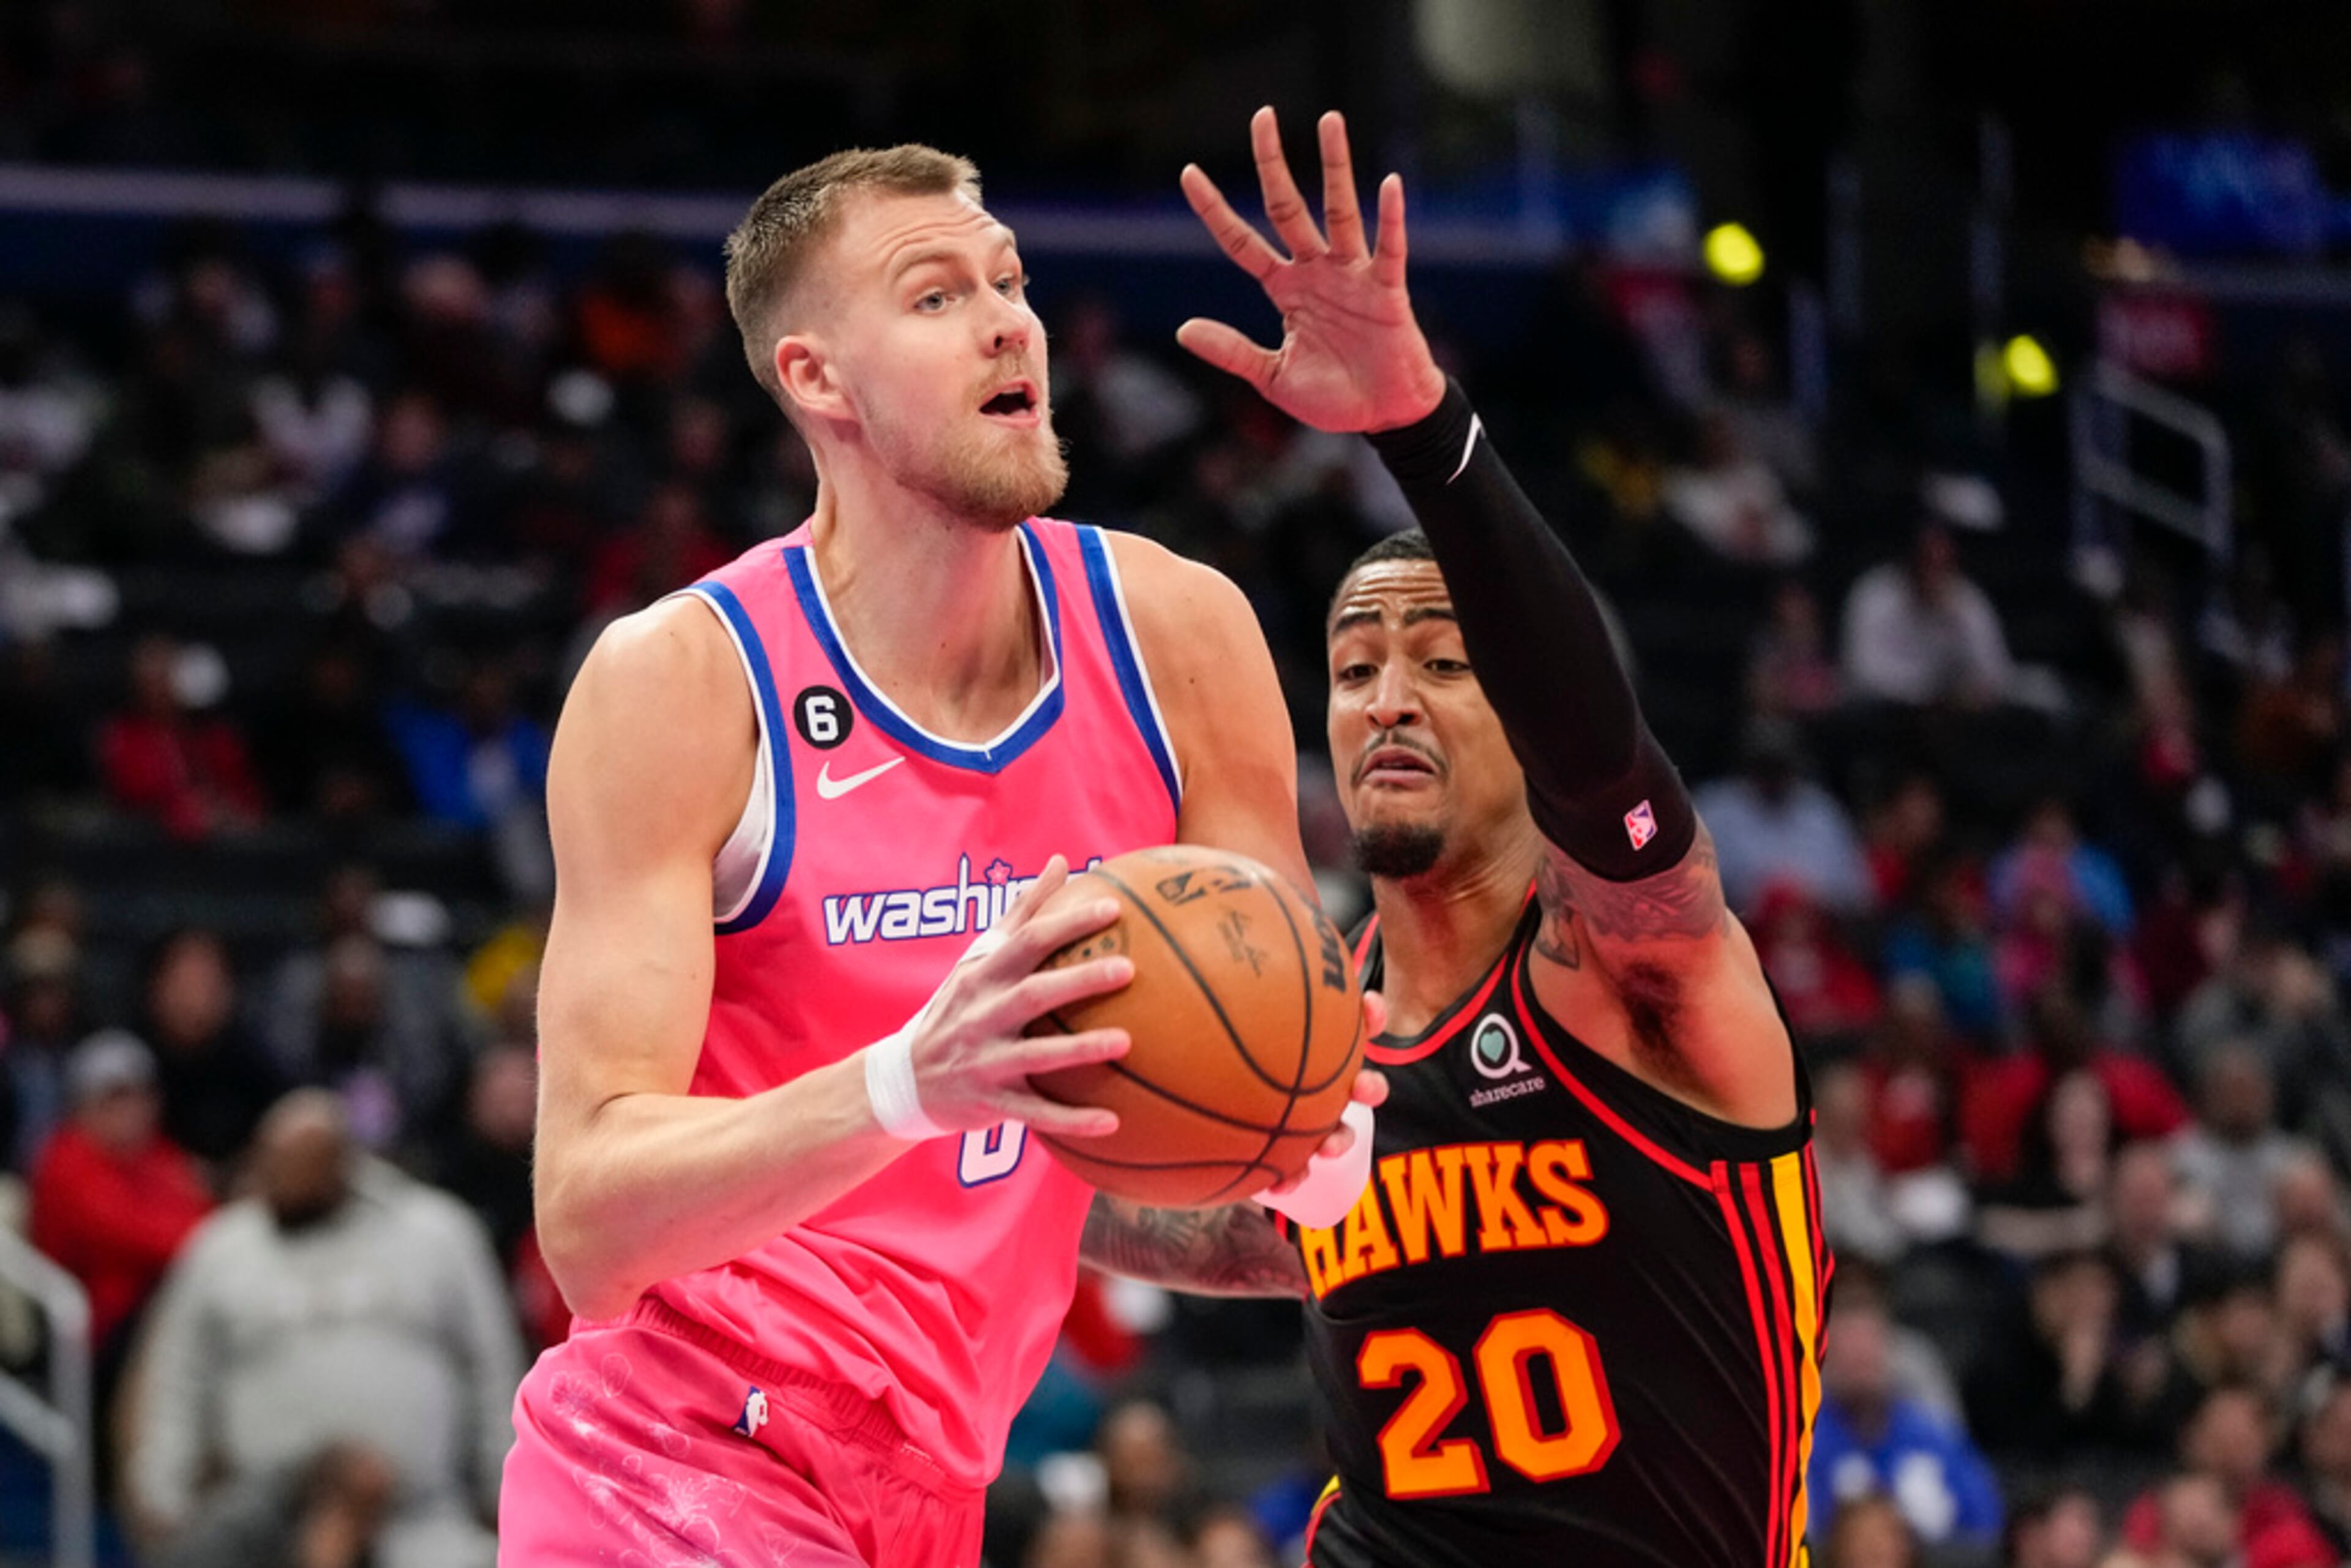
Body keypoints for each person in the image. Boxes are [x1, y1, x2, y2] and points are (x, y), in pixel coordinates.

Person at [498, 141, 1376, 1564]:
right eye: (936, 293)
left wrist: (1312, 1183)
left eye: (1010, 279)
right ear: (816, 380)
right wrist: (911, 1076)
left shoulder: (1180, 637)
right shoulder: (682, 680)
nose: (1006, 317)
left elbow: (1159, 1160)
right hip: (678, 1454)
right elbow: (588, 1212)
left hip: (930, 1486)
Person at [1081, 109, 1824, 1567]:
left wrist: (1423, 428)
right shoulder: (1302, 1038)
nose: (1386, 699)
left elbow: (1599, 754)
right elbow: (1205, 1227)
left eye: (1442, 659)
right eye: (1355, 668)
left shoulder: (1633, 975)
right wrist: (908, 1104)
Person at [126, 1091, 520, 1568]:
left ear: (341, 1162)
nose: (276, 1182)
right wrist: (162, 1492)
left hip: (424, 1521)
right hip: (267, 1526)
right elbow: (177, 1377)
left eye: (297, 1167)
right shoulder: (221, 1248)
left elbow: (492, 1365)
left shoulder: (436, 1233)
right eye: (269, 1164)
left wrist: (508, 1491)